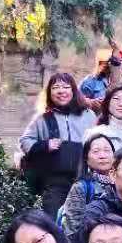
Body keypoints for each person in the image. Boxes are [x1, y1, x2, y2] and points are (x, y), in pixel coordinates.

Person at [20, 72, 98, 217]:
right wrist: (45, 145)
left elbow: (98, 142)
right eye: (56, 87)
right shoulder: (43, 118)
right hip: (54, 184)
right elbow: (25, 141)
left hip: (84, 181)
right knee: (54, 222)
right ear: (50, 93)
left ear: (73, 91)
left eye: (66, 87)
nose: (61, 91)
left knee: (83, 222)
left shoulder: (89, 115)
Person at [59, 132, 117, 238]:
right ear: (86, 158)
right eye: (96, 151)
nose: (102, 156)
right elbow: (72, 229)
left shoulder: (121, 184)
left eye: (107, 150)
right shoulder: (81, 187)